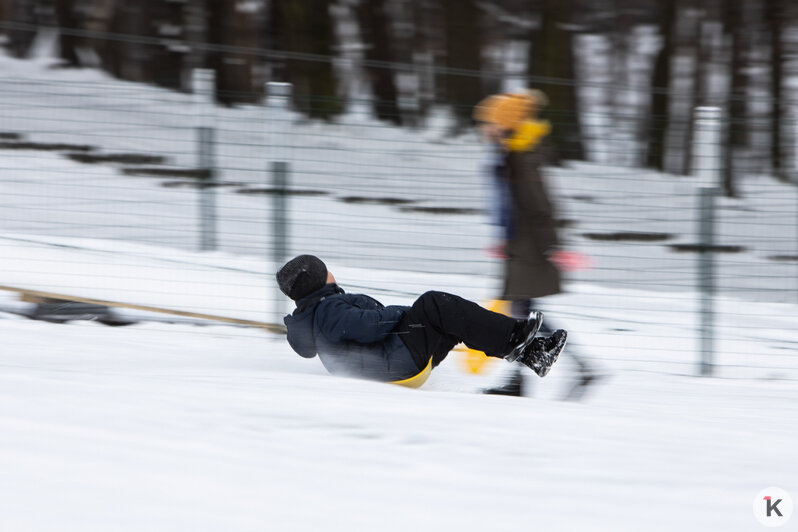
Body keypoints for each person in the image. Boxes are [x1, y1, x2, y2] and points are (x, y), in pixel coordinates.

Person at [276, 254, 567, 388]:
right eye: (326, 272)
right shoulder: (327, 309)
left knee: (451, 316)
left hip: (395, 363)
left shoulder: (319, 313)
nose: (332, 275)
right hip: (396, 363)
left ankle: (533, 353)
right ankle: (516, 338)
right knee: (434, 303)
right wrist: (404, 313)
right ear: (318, 281)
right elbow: (366, 327)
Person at [474, 91, 595, 398]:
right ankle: (540, 375)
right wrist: (504, 235)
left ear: (504, 125)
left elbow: (540, 205)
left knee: (525, 314)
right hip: (520, 245)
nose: (483, 129)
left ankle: (577, 368)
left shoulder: (520, 157)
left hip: (531, 248)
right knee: (525, 313)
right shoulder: (509, 154)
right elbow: (509, 204)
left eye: (488, 123)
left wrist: (551, 246)